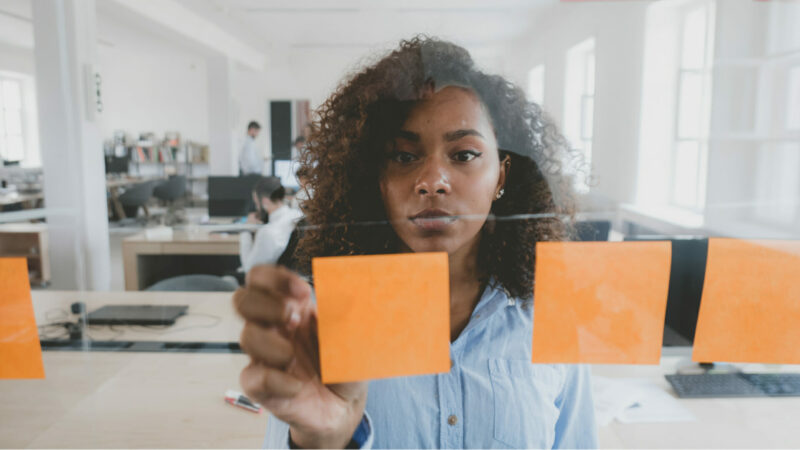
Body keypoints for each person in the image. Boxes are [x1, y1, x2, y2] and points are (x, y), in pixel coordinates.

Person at [233, 36, 596, 448]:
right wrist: (321, 443)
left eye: (463, 155)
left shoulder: (553, 315)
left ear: (502, 175)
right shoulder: (331, 321)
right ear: (377, 180)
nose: (432, 182)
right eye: (404, 157)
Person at [239, 176, 303, 273]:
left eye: (257, 204)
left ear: (265, 201)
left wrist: (246, 230)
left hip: (270, 282)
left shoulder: (267, 232)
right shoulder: (297, 215)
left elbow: (249, 270)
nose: (257, 208)